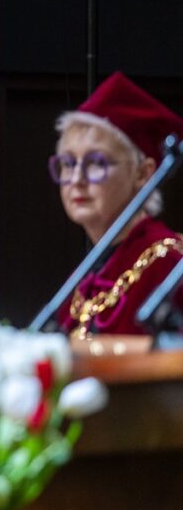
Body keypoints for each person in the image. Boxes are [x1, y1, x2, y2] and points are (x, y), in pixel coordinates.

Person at [52, 71, 183, 337]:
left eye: (96, 163)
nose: (76, 179)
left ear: (144, 174)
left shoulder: (170, 266)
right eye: (67, 164)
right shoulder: (80, 281)